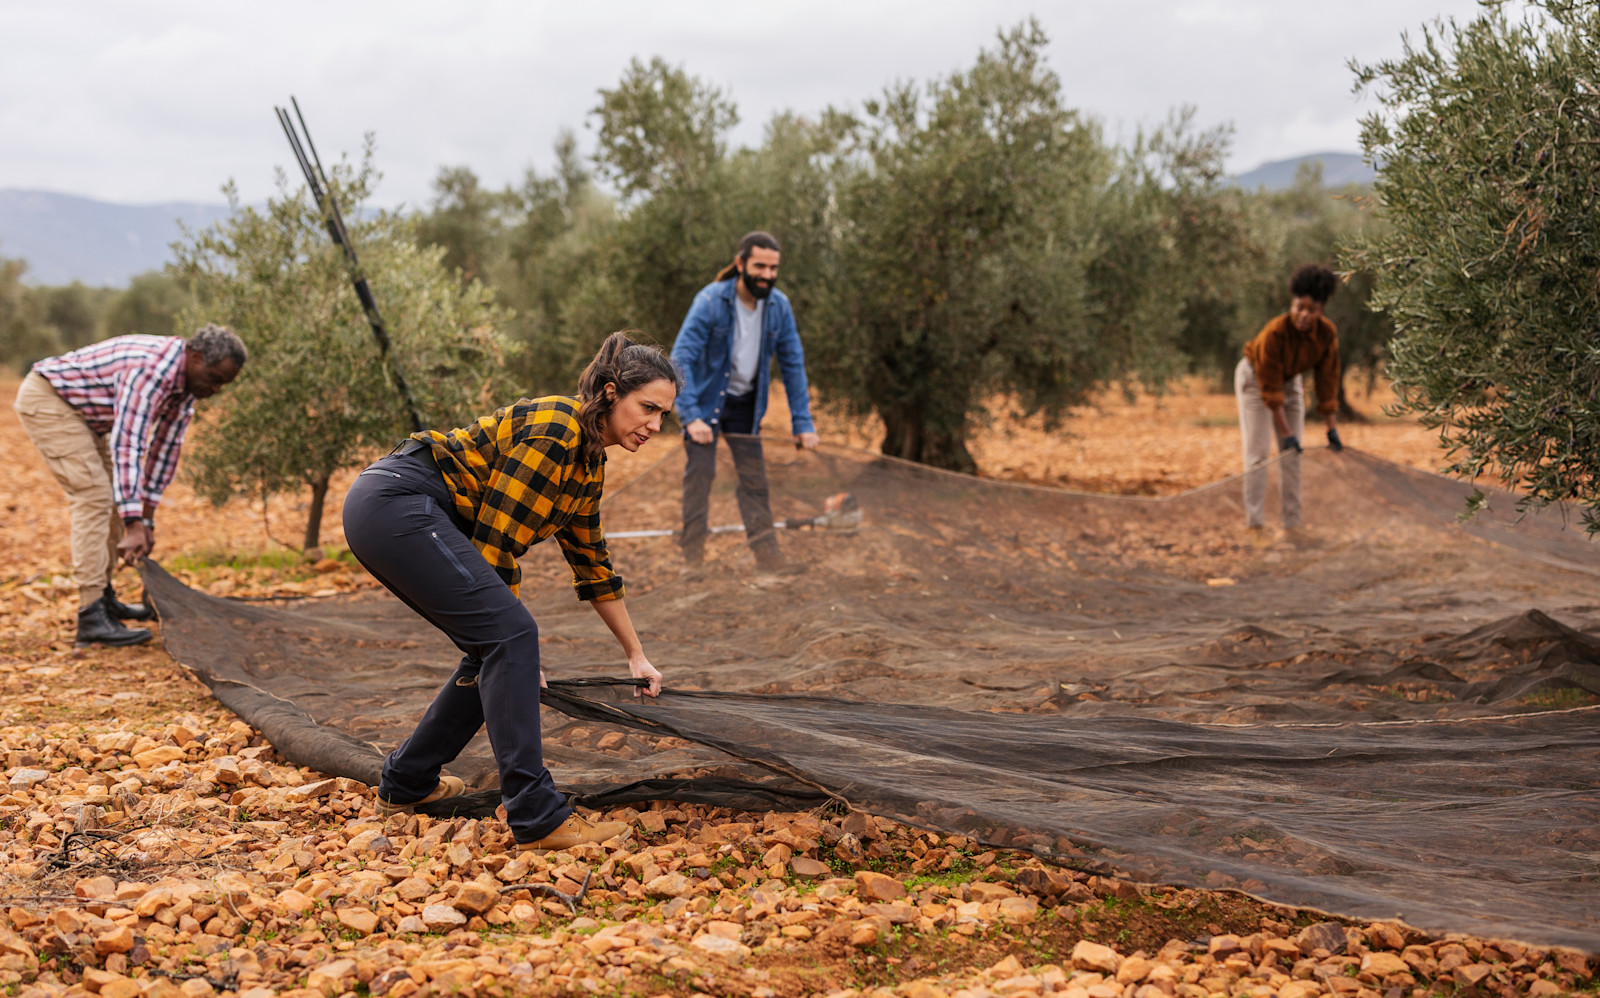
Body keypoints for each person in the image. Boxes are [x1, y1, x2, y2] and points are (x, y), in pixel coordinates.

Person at [342, 331, 680, 852]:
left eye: (664, 415)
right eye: (648, 408)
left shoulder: (588, 462)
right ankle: (538, 816)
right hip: (397, 503)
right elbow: (495, 540)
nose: (656, 426)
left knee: (495, 648)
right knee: (510, 638)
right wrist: (513, 648)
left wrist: (636, 656)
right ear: (612, 393)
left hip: (404, 512)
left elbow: (593, 565)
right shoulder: (556, 430)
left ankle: (406, 784)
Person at [14, 324, 246, 647]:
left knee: (114, 498)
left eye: (224, 383)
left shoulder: (185, 391)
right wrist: (132, 523)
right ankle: (91, 614)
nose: (217, 389)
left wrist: (144, 520)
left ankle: (104, 598)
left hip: (88, 417)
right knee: (95, 497)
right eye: (216, 378)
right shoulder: (151, 371)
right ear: (194, 357)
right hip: (51, 400)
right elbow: (129, 445)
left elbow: (164, 453)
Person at [670, 231, 819, 571]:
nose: (767, 274)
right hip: (706, 404)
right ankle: (692, 562)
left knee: (755, 482)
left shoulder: (780, 306)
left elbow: (793, 365)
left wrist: (802, 422)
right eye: (760, 266)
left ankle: (769, 559)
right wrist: (690, 415)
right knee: (700, 477)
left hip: (747, 407)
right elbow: (680, 359)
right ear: (740, 264)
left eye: (773, 267)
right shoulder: (710, 301)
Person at [1236, 264, 1344, 538]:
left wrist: (1331, 428)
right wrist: (1286, 433)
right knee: (1258, 453)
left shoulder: (1327, 334)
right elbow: (1270, 392)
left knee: (1293, 455)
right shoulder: (1274, 332)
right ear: (1292, 304)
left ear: (1321, 311)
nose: (1304, 315)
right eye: (1299, 307)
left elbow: (1327, 381)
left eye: (1312, 310)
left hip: (1290, 379)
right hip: (1255, 377)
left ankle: (1292, 526)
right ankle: (1255, 525)